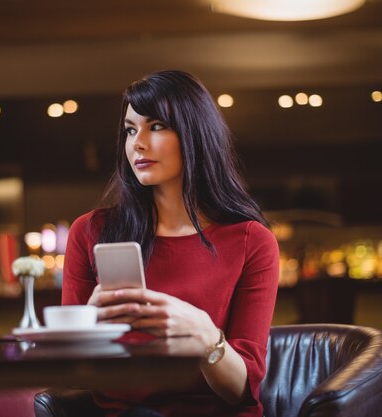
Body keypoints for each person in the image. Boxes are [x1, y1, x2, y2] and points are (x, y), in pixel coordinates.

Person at [63, 70, 279, 417]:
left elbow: (242, 390)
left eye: (157, 126)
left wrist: (206, 335)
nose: (137, 143)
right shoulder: (91, 231)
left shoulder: (251, 240)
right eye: (130, 130)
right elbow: (71, 375)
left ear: (194, 134)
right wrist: (89, 326)